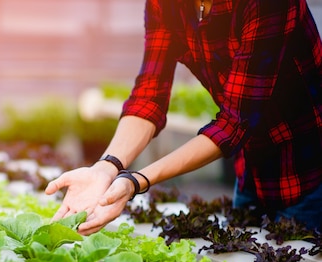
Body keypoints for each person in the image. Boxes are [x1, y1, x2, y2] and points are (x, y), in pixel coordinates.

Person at [45, 0, 322, 234]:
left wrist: (135, 181)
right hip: (251, 169)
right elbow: (148, 97)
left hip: (311, 171)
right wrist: (105, 169)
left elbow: (235, 122)